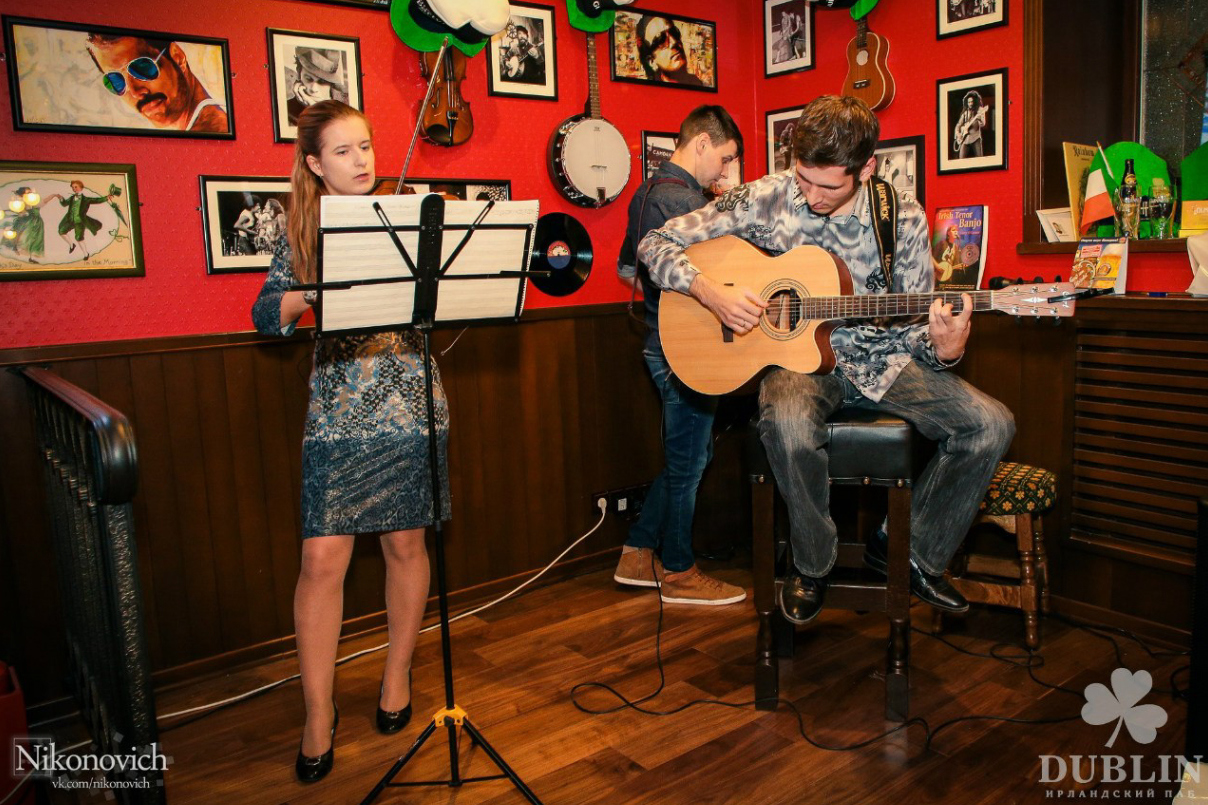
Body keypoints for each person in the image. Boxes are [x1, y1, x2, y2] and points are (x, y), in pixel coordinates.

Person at [638, 95, 1014, 625]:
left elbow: (913, 334)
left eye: (829, 186)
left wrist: (945, 348)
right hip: (798, 366)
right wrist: (708, 292)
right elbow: (655, 243)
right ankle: (813, 563)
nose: (810, 196)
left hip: (881, 363)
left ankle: (911, 553)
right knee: (786, 422)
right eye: (803, 178)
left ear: (868, 168)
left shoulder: (901, 221)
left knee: (991, 424)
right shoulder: (766, 197)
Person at [251, 100, 449, 783]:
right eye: (343, 150)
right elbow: (264, 314)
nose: (362, 159)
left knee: (405, 544)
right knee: (322, 559)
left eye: (366, 145)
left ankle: (397, 673)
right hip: (338, 413)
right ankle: (317, 710)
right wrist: (310, 289)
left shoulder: (409, 216)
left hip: (410, 406)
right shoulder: (304, 232)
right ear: (314, 163)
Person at [614, 105, 746, 606]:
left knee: (691, 454)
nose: (726, 171)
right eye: (726, 158)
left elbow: (630, 268)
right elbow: (740, 266)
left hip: (658, 339)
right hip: (684, 349)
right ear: (703, 144)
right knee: (689, 462)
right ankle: (678, 571)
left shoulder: (644, 194)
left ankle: (638, 550)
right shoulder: (686, 200)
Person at [85, 33, 229, 133]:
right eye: (115, 81)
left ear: (177, 57)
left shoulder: (216, 130)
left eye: (142, 67)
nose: (135, 92)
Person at [43, 180, 116, 261]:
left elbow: (97, 200)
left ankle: (85, 253)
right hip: (69, 219)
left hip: (79, 221)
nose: (74, 189)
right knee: (61, 231)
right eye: (73, 187)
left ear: (81, 187)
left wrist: (106, 198)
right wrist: (60, 198)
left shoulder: (86, 199)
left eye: (76, 187)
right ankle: (71, 245)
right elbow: (64, 204)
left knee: (79, 237)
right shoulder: (71, 198)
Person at [287, 48, 349, 125]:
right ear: (299, 73)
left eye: (322, 82)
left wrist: (318, 110)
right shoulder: (287, 111)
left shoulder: (347, 104)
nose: (314, 89)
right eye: (308, 79)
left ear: (331, 83)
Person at [636, 15, 703, 86]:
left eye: (674, 32)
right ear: (651, 61)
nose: (674, 42)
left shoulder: (697, 83)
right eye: (661, 39)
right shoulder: (650, 92)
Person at [1, 187, 46, 264]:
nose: (30, 194)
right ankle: (15, 247)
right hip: (25, 221)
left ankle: (31, 257)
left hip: (34, 222)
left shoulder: (34, 200)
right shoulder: (21, 202)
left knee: (33, 238)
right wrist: (22, 212)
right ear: (23, 195)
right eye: (28, 193)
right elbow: (20, 211)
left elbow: (42, 203)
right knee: (20, 235)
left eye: (30, 192)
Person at [954, 90, 988, 158]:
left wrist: (979, 119)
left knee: (980, 159)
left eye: (972, 102)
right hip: (965, 139)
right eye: (969, 102)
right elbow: (958, 125)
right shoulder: (965, 113)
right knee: (961, 159)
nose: (970, 104)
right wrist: (958, 134)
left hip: (976, 138)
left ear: (975, 101)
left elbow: (983, 124)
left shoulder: (980, 110)